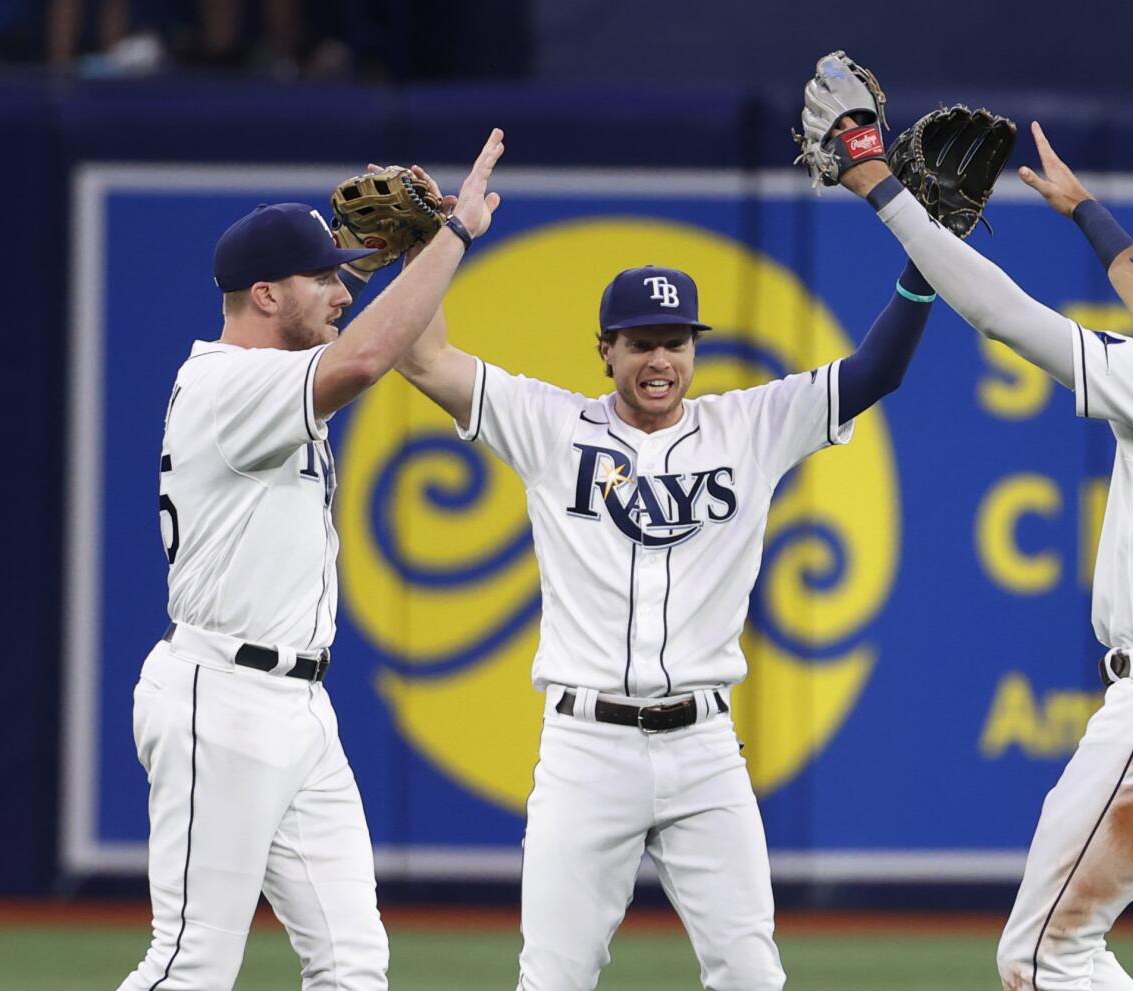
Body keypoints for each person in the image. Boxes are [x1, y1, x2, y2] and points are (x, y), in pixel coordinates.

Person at [824, 95, 1133, 990]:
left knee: (1041, 954)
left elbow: (1005, 316)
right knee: (1059, 949)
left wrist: (881, 187)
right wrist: (1085, 213)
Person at [393, 233, 937, 984]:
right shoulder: (550, 425)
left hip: (704, 747)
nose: (661, 361)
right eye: (642, 343)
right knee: (552, 976)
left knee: (752, 975)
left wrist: (924, 259)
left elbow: (878, 370)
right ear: (605, 351)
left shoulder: (751, 425)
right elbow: (424, 359)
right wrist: (432, 245)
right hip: (586, 747)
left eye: (677, 342)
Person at [117, 129, 504, 991]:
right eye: (324, 277)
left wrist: (418, 250)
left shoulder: (265, 381)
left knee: (353, 962)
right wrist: (455, 237)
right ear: (264, 294)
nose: (341, 290)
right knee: (190, 962)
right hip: (221, 698)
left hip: (296, 707)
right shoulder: (231, 385)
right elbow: (367, 356)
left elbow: (397, 346)